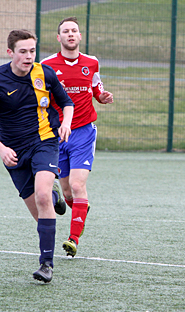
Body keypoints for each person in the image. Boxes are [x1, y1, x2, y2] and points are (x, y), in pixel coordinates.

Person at [0, 29, 74, 283]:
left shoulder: (44, 73)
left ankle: (46, 265)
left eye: (32, 51)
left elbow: (67, 102)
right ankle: (54, 197)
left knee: (42, 196)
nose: (29, 56)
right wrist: (1, 148)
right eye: (23, 52)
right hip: (13, 153)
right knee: (40, 211)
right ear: (10, 52)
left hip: (45, 141)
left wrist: (65, 123)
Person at [42, 17, 114, 257]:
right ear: (58, 37)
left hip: (83, 131)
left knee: (77, 184)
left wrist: (101, 96)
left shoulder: (91, 63)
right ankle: (78, 206)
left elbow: (96, 87)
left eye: (74, 30)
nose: (70, 34)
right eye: (66, 31)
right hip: (58, 133)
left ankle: (73, 239)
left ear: (80, 36)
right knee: (69, 193)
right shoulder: (47, 64)